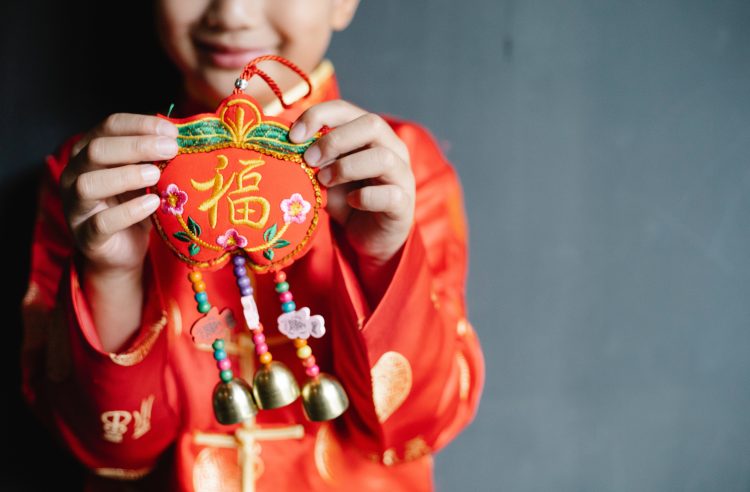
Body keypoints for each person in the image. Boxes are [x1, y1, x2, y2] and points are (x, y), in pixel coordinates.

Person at [20, 0, 485, 490]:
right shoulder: (92, 183)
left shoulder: (400, 171)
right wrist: (109, 276)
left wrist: (382, 257)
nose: (234, 13)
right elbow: (106, 445)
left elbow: (418, 427)